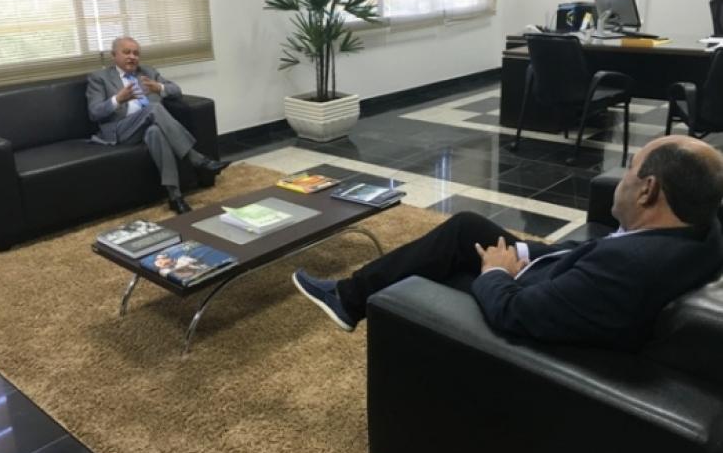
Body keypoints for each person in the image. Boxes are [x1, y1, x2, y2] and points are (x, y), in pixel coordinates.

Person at [292, 135, 723, 351]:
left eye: (629, 169)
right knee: (465, 228)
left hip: (527, 299)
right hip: (552, 275)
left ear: (648, 190)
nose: (622, 177)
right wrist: (524, 251)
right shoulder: (701, 229)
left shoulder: (627, 268)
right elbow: (587, 253)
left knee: (435, 269)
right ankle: (348, 297)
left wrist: (497, 271)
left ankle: (355, 299)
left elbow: (515, 313)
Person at [86, 36, 229, 214]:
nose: (132, 57)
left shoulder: (148, 71)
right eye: (127, 52)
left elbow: (176, 90)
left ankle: (175, 197)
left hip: (148, 125)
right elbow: (94, 112)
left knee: (156, 132)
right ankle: (196, 158)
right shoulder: (99, 78)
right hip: (120, 130)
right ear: (114, 55)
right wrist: (118, 99)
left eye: (136, 53)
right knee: (153, 108)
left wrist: (159, 88)